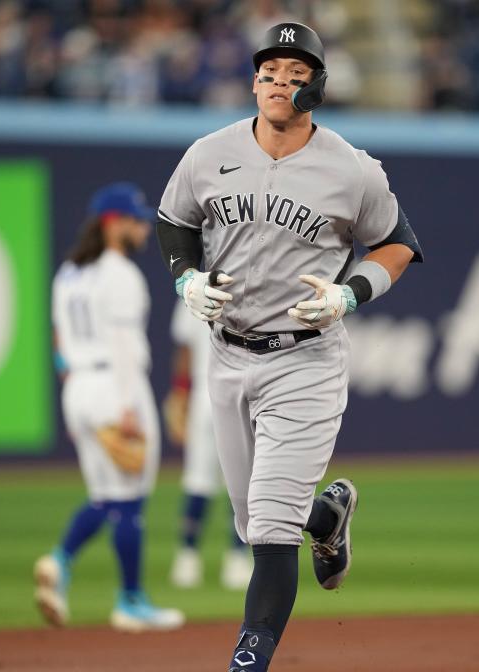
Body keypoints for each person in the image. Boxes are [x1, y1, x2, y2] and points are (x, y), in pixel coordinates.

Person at [155, 22, 422, 672]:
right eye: (269, 72)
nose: (279, 82)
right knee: (253, 520)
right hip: (226, 353)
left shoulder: (352, 169)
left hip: (305, 358)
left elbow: (399, 242)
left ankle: (249, 661)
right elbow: (174, 222)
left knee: (270, 533)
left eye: (295, 74)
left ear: (316, 90)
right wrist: (185, 277)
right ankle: (326, 517)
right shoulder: (207, 153)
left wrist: (351, 293)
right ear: (253, 82)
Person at [34, 182, 185, 633]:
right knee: (130, 502)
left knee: (105, 497)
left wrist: (77, 384)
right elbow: (123, 346)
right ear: (113, 223)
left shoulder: (69, 273)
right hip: (115, 387)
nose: (143, 227)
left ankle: (59, 561)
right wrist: (125, 407)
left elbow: (59, 339)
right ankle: (131, 601)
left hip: (78, 386)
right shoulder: (120, 273)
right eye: (136, 220)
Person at [164, 299, 254, 591]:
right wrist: (180, 394)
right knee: (237, 478)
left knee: (201, 479)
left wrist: (179, 392)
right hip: (233, 392)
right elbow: (187, 348)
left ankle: (189, 557)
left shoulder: (194, 289)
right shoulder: (245, 284)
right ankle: (234, 558)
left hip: (207, 395)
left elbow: (184, 350)